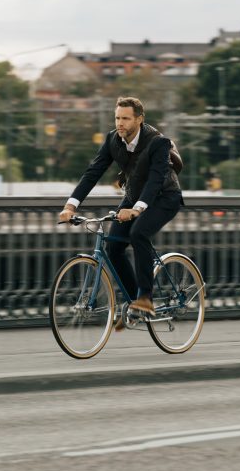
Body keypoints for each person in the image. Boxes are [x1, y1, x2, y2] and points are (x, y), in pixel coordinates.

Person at [58, 96, 183, 323]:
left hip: (165, 197)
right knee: (114, 246)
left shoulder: (158, 142)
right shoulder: (113, 140)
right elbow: (92, 173)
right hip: (134, 197)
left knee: (138, 233)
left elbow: (156, 180)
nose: (120, 123)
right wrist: (70, 205)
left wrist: (136, 210)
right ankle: (135, 299)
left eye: (125, 118)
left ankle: (145, 299)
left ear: (139, 119)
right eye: (117, 118)